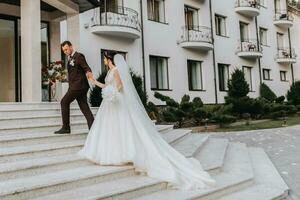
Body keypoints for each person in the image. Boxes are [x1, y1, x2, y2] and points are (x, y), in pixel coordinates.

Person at [77, 52, 216, 190]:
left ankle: (125, 153)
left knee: (121, 126)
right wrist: (95, 82)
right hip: (109, 103)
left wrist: (112, 92)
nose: (104, 61)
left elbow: (120, 86)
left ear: (109, 59)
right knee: (111, 128)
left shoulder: (117, 70)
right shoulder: (109, 72)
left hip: (117, 101)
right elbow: (108, 86)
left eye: (105, 59)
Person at [54, 41, 94, 134]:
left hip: (78, 86)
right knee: (84, 108)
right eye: (64, 50)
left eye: (66, 49)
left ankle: (66, 128)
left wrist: (89, 72)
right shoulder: (70, 58)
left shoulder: (79, 56)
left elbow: (86, 67)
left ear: (71, 46)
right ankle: (93, 129)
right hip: (78, 86)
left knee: (64, 102)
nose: (65, 51)